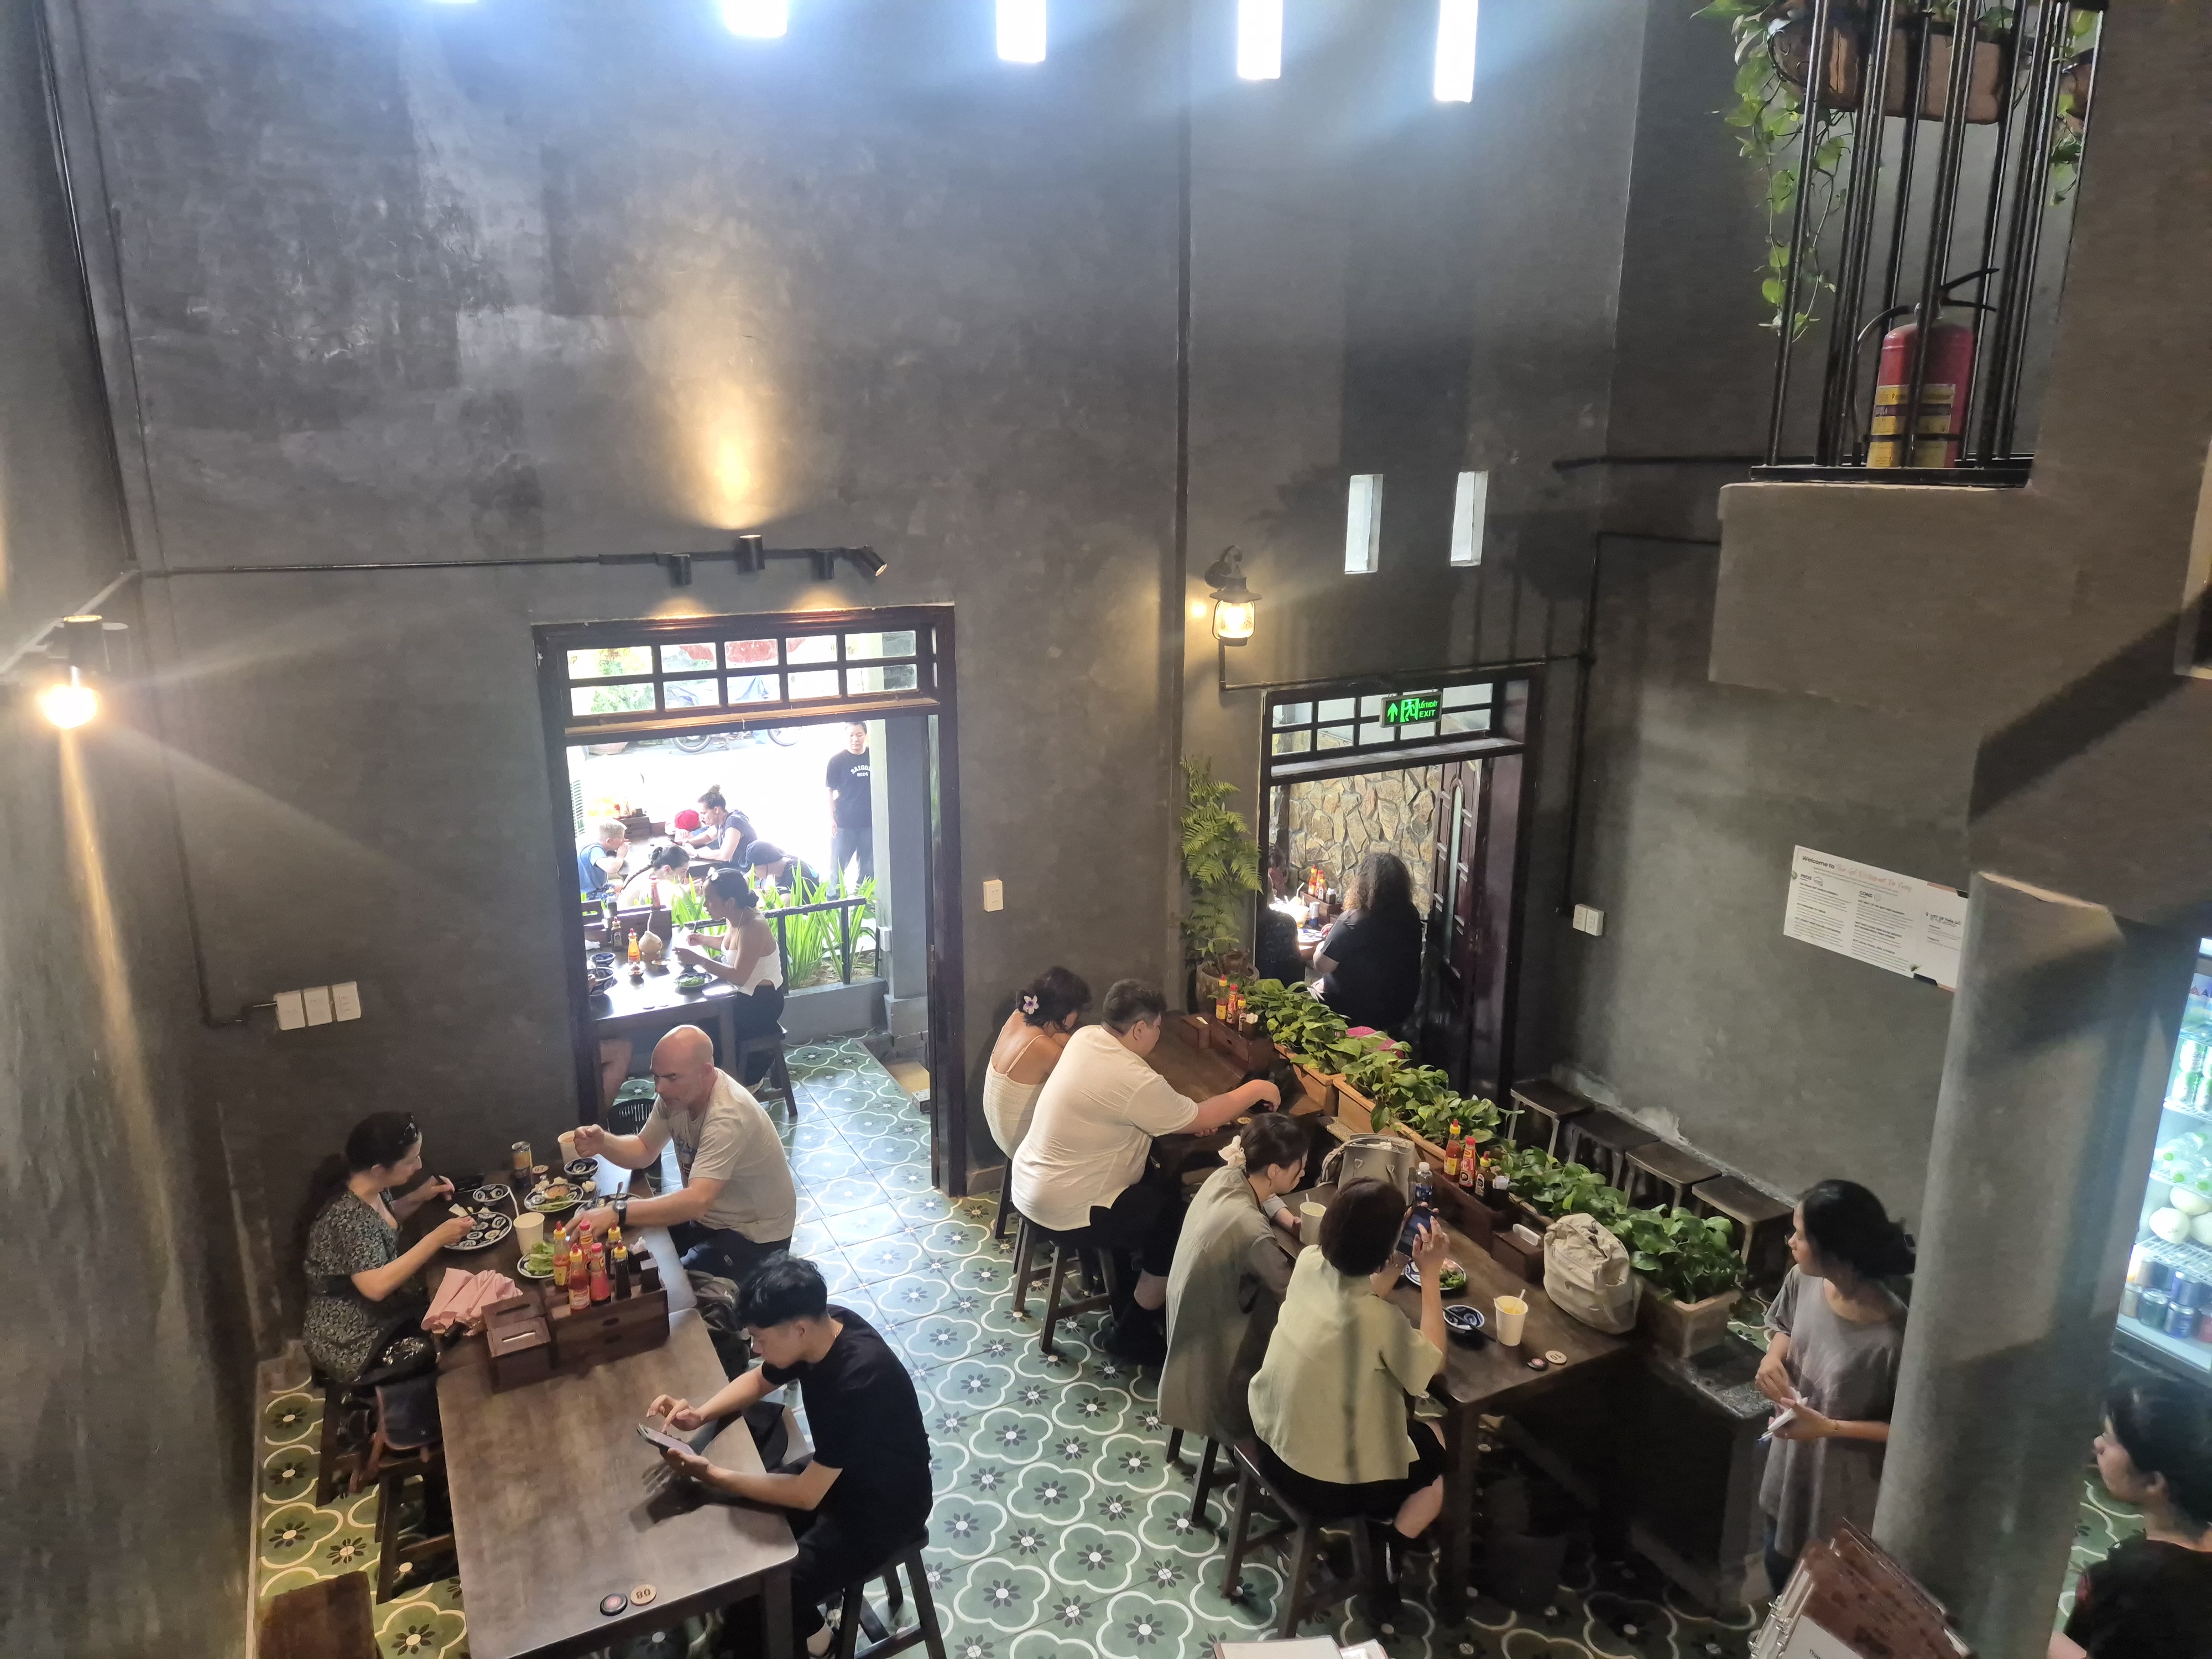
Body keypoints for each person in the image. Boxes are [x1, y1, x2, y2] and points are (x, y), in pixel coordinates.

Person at [648, 1255, 932, 1658]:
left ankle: (816, 1645)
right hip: (841, 1475)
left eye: (761, 1339)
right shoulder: (824, 1328)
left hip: (885, 1510)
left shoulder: (860, 1380)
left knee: (762, 1588)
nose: (756, 1348)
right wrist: (700, 1414)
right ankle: (813, 1629)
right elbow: (761, 1378)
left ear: (799, 1329)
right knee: (731, 1520)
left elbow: (805, 1494)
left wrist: (711, 1472)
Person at [1009, 979, 1280, 1359]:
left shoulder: (1087, 1038)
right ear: (1139, 1028)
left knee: (1158, 1187)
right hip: (1065, 1209)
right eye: (1156, 1027)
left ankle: (1128, 1293)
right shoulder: (1134, 1079)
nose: (1157, 1034)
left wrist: (1182, 1117)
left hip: (1030, 1185)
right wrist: (1257, 1090)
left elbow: (1156, 1109)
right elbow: (1199, 1114)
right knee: (1178, 1222)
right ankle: (1133, 1332)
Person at [1246, 1178, 1449, 1614]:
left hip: (1269, 1443)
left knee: (1392, 1426)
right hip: (1321, 1487)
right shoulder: (1379, 1321)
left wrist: (1397, 1258)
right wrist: (1430, 1276)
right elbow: (1434, 1363)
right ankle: (1391, 1543)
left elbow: (1360, 1290)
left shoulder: (1309, 1263)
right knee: (1438, 1443)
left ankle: (1383, 1524)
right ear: (1382, 1246)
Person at [1754, 1178, 1914, 1595]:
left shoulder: (1894, 1338)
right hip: (1791, 1465)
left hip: (1842, 1490)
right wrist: (1773, 1358)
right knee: (1776, 1563)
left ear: (1834, 1249)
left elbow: (1910, 1433)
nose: (1790, 1242)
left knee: (1822, 1597)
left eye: (1800, 1235)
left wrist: (1828, 1428)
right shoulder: (1804, 1279)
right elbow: (1785, 1325)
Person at [571, 1025, 796, 1284]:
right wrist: (603, 1142)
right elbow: (644, 1149)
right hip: (707, 1219)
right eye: (656, 1077)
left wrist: (617, 1211)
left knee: (673, 1285)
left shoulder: (728, 1116)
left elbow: (696, 1201)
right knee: (630, 1252)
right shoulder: (678, 1096)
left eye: (671, 1078)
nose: (660, 1088)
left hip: (754, 1234)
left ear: (706, 1072)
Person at [1160, 1113, 1308, 1448]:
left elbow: (1264, 1192)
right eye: (1299, 1167)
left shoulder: (1227, 1175)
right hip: (1213, 1341)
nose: (1303, 1173)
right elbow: (1290, 1293)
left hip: (1185, 1314)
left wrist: (1286, 1218)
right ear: (1275, 1170)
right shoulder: (1252, 1232)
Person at [298, 1113, 472, 1383]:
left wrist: (419, 1197)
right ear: (379, 1169)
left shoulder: (370, 1187)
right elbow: (375, 1287)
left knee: (452, 1318)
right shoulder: (347, 1217)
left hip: (384, 1313)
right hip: (349, 1335)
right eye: (411, 1161)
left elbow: (381, 1223)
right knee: (434, 1350)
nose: (418, 1166)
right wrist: (436, 1238)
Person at [2053, 1379, 2212, 1658]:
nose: (2097, 1445)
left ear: (2153, 1482)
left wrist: (2038, 1635)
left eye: (2110, 1439)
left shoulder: (2134, 1579)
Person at [671, 868, 786, 1079]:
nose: (705, 905)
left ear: (730, 902)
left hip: (761, 1003)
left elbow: (739, 976)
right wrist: (703, 940)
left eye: (709, 899)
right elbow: (730, 945)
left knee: (703, 1022)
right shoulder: (735, 917)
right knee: (692, 1016)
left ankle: (734, 1077)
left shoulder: (754, 926)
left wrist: (699, 960)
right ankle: (711, 1075)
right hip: (742, 995)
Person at [982, 967, 1091, 1158]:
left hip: (1000, 1133)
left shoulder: (1017, 1017)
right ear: (1064, 1013)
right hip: (1022, 1145)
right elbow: (1085, 1083)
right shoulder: (1041, 1047)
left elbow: (1055, 1038)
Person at [1312, 852, 1423, 1035]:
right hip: (1398, 1010)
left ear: (1363, 885)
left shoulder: (1353, 920)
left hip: (1353, 1012)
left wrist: (1321, 945)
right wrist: (1338, 931)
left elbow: (1322, 965)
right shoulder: (1411, 916)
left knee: (1311, 987)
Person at [826, 723, 874, 888]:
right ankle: (834, 901)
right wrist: (831, 819)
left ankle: (865, 900)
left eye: (859, 735)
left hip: (870, 824)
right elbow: (829, 792)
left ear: (866, 735)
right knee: (837, 869)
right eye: (851, 735)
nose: (855, 739)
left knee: (868, 869)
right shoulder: (837, 761)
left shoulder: (875, 756)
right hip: (844, 824)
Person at [690, 789, 756, 865]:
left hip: (747, 870)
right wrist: (689, 842)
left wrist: (696, 853)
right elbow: (708, 837)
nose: (701, 819)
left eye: (704, 813)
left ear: (716, 810)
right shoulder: (720, 820)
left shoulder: (733, 822)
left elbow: (725, 856)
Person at [618, 842, 693, 909]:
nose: (685, 877)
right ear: (667, 870)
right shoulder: (656, 885)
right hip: (630, 918)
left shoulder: (650, 868)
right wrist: (689, 894)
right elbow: (671, 909)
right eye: (683, 872)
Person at [743, 840, 822, 895]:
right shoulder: (778, 867)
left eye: (754, 868)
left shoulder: (796, 872)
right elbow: (744, 880)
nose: (752, 872)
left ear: (765, 864)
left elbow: (784, 906)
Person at [576, 818, 629, 899]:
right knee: (626, 898)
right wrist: (620, 856)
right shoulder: (595, 850)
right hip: (588, 895)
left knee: (626, 889)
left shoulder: (594, 844)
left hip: (598, 888)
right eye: (622, 838)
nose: (625, 840)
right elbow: (612, 868)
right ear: (609, 841)